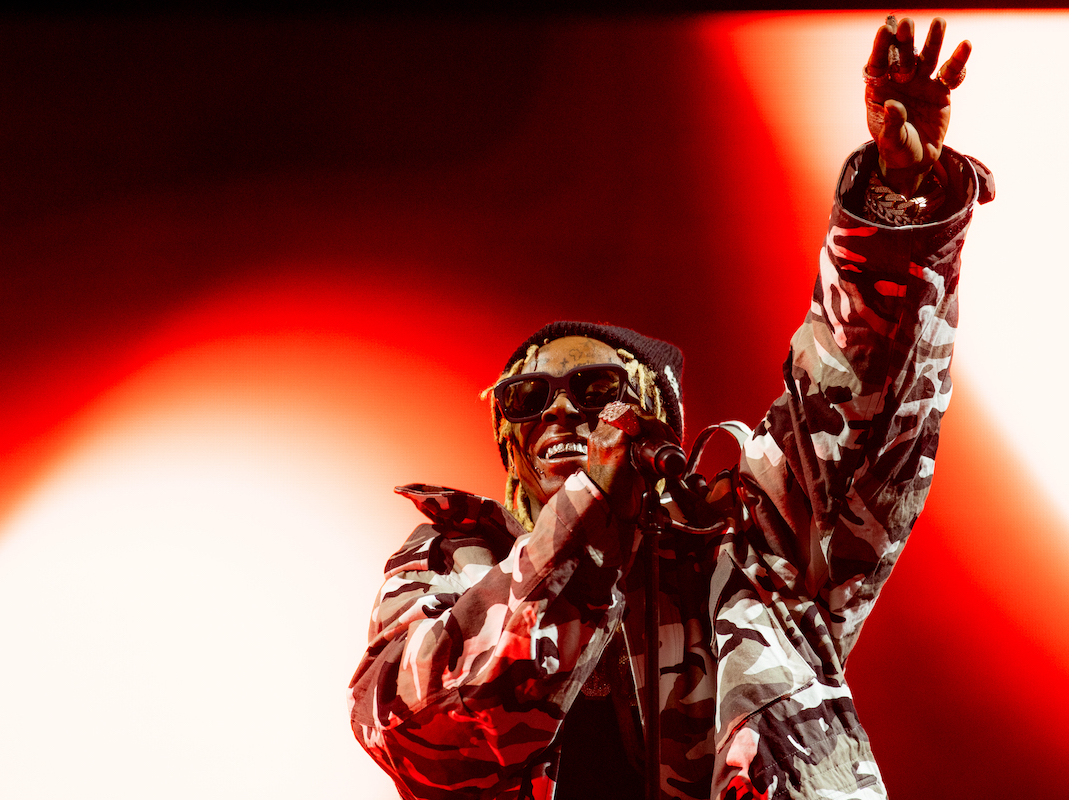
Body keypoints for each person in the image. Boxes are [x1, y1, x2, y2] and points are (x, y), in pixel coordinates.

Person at [348, 16, 994, 800]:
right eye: (527, 398)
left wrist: (893, 214)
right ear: (508, 445)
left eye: (594, 391)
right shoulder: (446, 564)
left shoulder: (751, 552)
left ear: (659, 420)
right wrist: (586, 520)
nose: (558, 413)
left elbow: (854, 423)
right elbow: (427, 735)